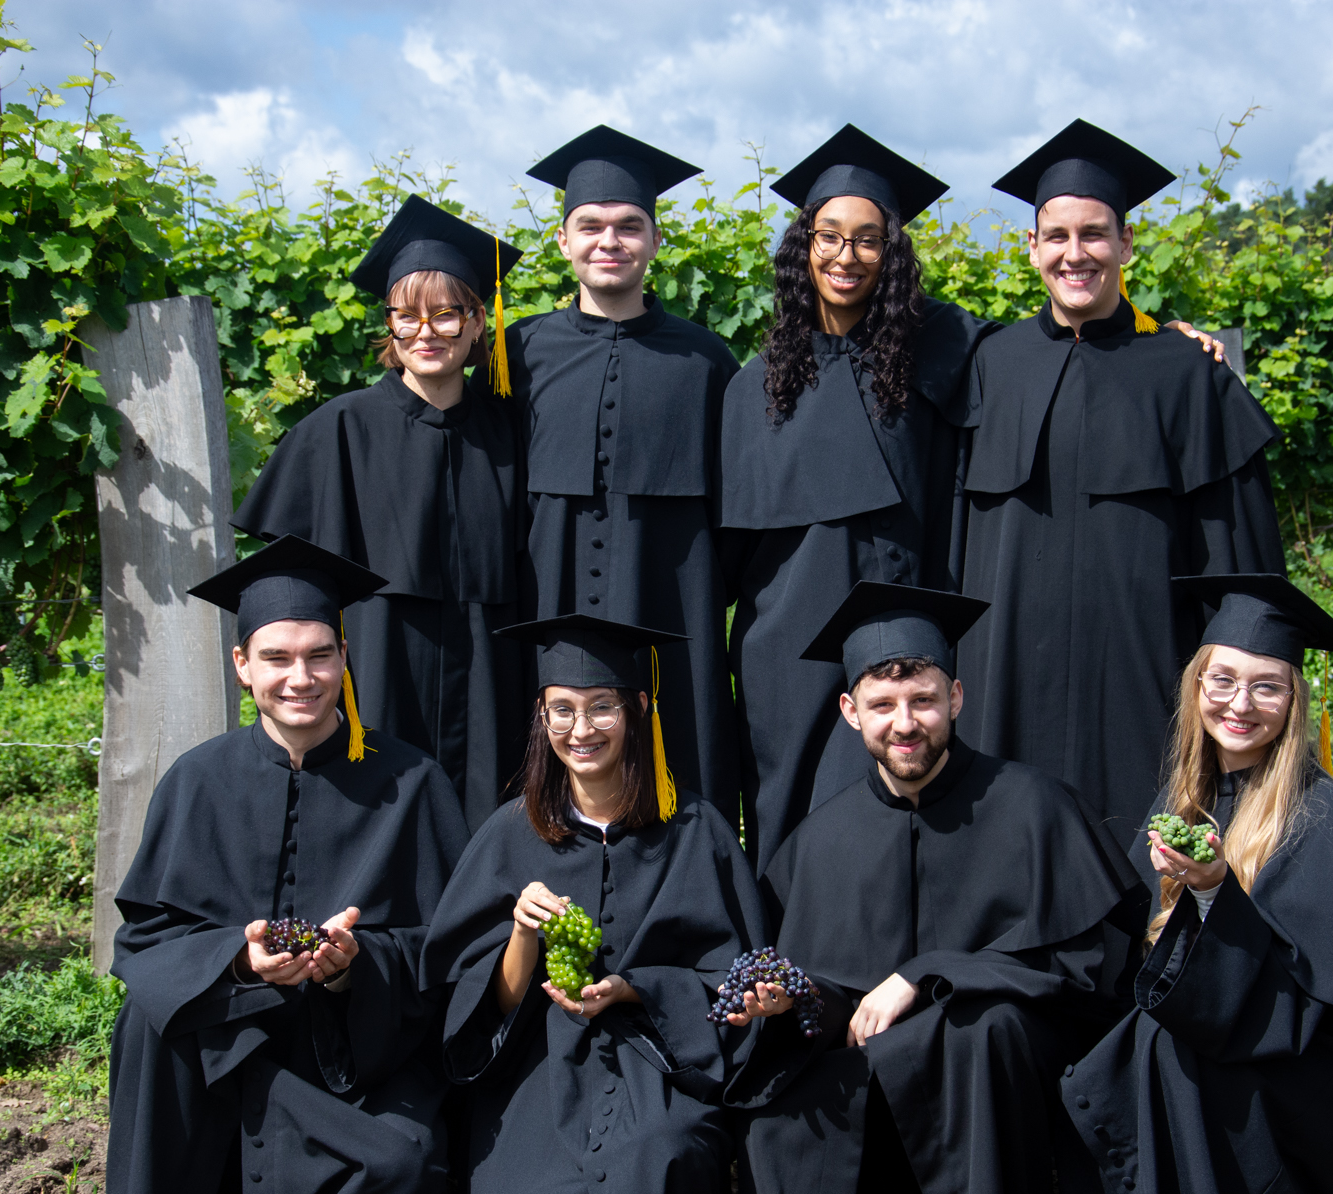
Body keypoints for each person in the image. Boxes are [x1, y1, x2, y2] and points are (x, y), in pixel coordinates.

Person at [728, 581, 1147, 1194]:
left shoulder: (1033, 805)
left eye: (922, 699)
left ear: (955, 696)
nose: (905, 722)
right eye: (882, 705)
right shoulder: (820, 841)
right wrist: (796, 998)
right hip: (889, 1097)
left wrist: (927, 971)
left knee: (980, 1028)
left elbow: (1081, 973)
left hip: (1005, 1087)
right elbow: (833, 988)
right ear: (850, 711)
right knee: (789, 1086)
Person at [98, 536, 470, 1194]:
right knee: (145, 1017)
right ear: (243, 666)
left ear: (344, 658)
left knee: (408, 1171)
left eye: (318, 655)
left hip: (354, 1065)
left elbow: (451, 951)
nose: (300, 677)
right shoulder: (195, 780)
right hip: (226, 1054)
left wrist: (355, 965)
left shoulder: (411, 782)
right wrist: (238, 959)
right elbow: (146, 943)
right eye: (277, 657)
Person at [1041, 574, 1333, 1194]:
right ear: (1196, 687)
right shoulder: (1186, 794)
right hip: (1234, 1017)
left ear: (1294, 701)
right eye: (1222, 680)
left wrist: (1216, 889)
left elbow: (1307, 991)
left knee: (1170, 1039)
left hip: (1317, 1051)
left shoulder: (1318, 810)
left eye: (1266, 687)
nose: (1240, 704)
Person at [420, 613, 767, 1194]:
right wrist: (521, 934)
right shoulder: (508, 832)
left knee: (660, 1155)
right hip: (536, 1069)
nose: (581, 729)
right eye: (562, 710)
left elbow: (733, 979)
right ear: (542, 716)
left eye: (602, 706)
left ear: (639, 709)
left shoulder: (695, 830)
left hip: (658, 1062)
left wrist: (638, 988)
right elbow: (480, 1012)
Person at [958, 119, 1285, 850]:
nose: (1075, 254)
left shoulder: (1186, 375)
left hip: (1142, 677)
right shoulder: (988, 365)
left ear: (1127, 244)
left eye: (1095, 234)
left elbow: (1238, 553)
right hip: (1005, 680)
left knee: (1143, 849)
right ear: (1032, 246)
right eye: (1057, 236)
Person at [718, 125, 1000, 871]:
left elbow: (1052, 350)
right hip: (786, 651)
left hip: (899, 639)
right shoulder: (753, 387)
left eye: (869, 239)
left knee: (902, 825)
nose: (847, 255)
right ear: (803, 244)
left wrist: (1156, 333)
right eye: (830, 236)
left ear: (892, 251)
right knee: (787, 822)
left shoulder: (944, 352)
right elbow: (733, 556)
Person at [234, 196, 526, 833]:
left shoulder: (513, 434)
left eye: (447, 313)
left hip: (493, 685)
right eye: (407, 315)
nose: (427, 332)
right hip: (380, 675)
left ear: (479, 321)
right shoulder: (336, 432)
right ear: (389, 325)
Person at [512, 126, 743, 827]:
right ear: (563, 240)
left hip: (670, 612)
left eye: (628, 226)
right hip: (545, 605)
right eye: (590, 226)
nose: (608, 241)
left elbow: (734, 510)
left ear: (655, 239)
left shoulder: (706, 361)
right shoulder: (519, 353)